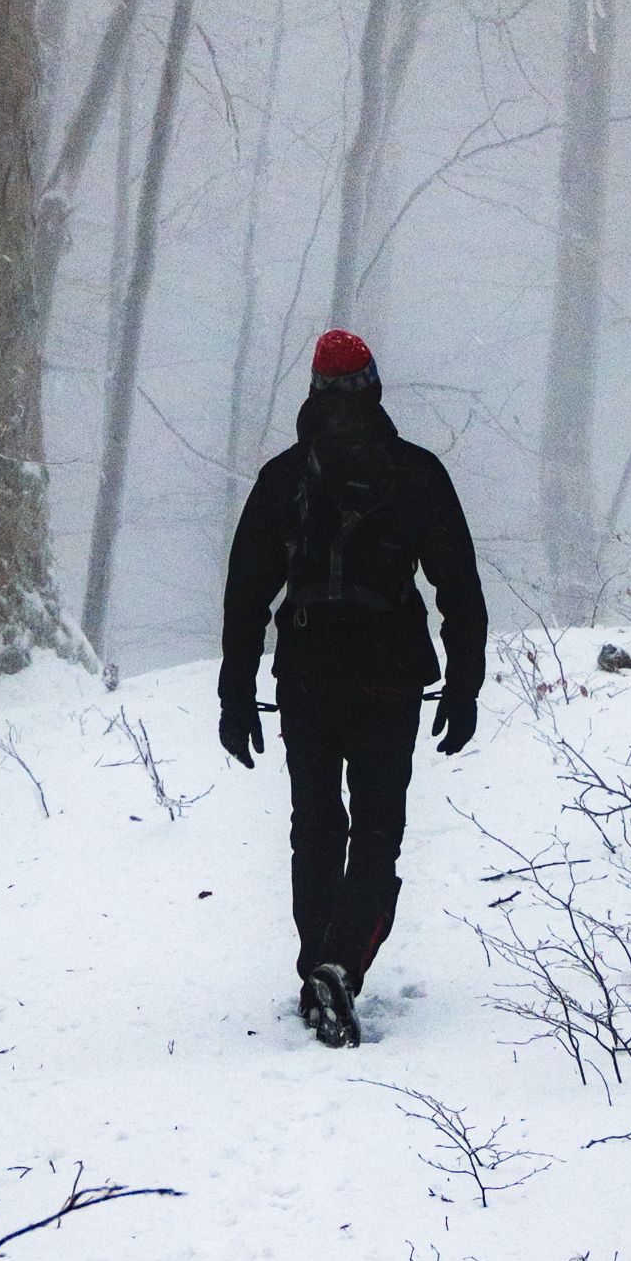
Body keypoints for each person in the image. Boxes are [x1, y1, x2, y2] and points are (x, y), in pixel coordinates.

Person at [218, 330, 488, 1045]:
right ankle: (339, 967)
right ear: (375, 387)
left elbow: (245, 594)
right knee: (375, 831)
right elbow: (457, 585)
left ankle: (319, 968)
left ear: (310, 390)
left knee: (315, 830)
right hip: (387, 678)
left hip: (306, 676)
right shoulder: (415, 473)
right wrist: (463, 685)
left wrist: (235, 695)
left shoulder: (284, 478)